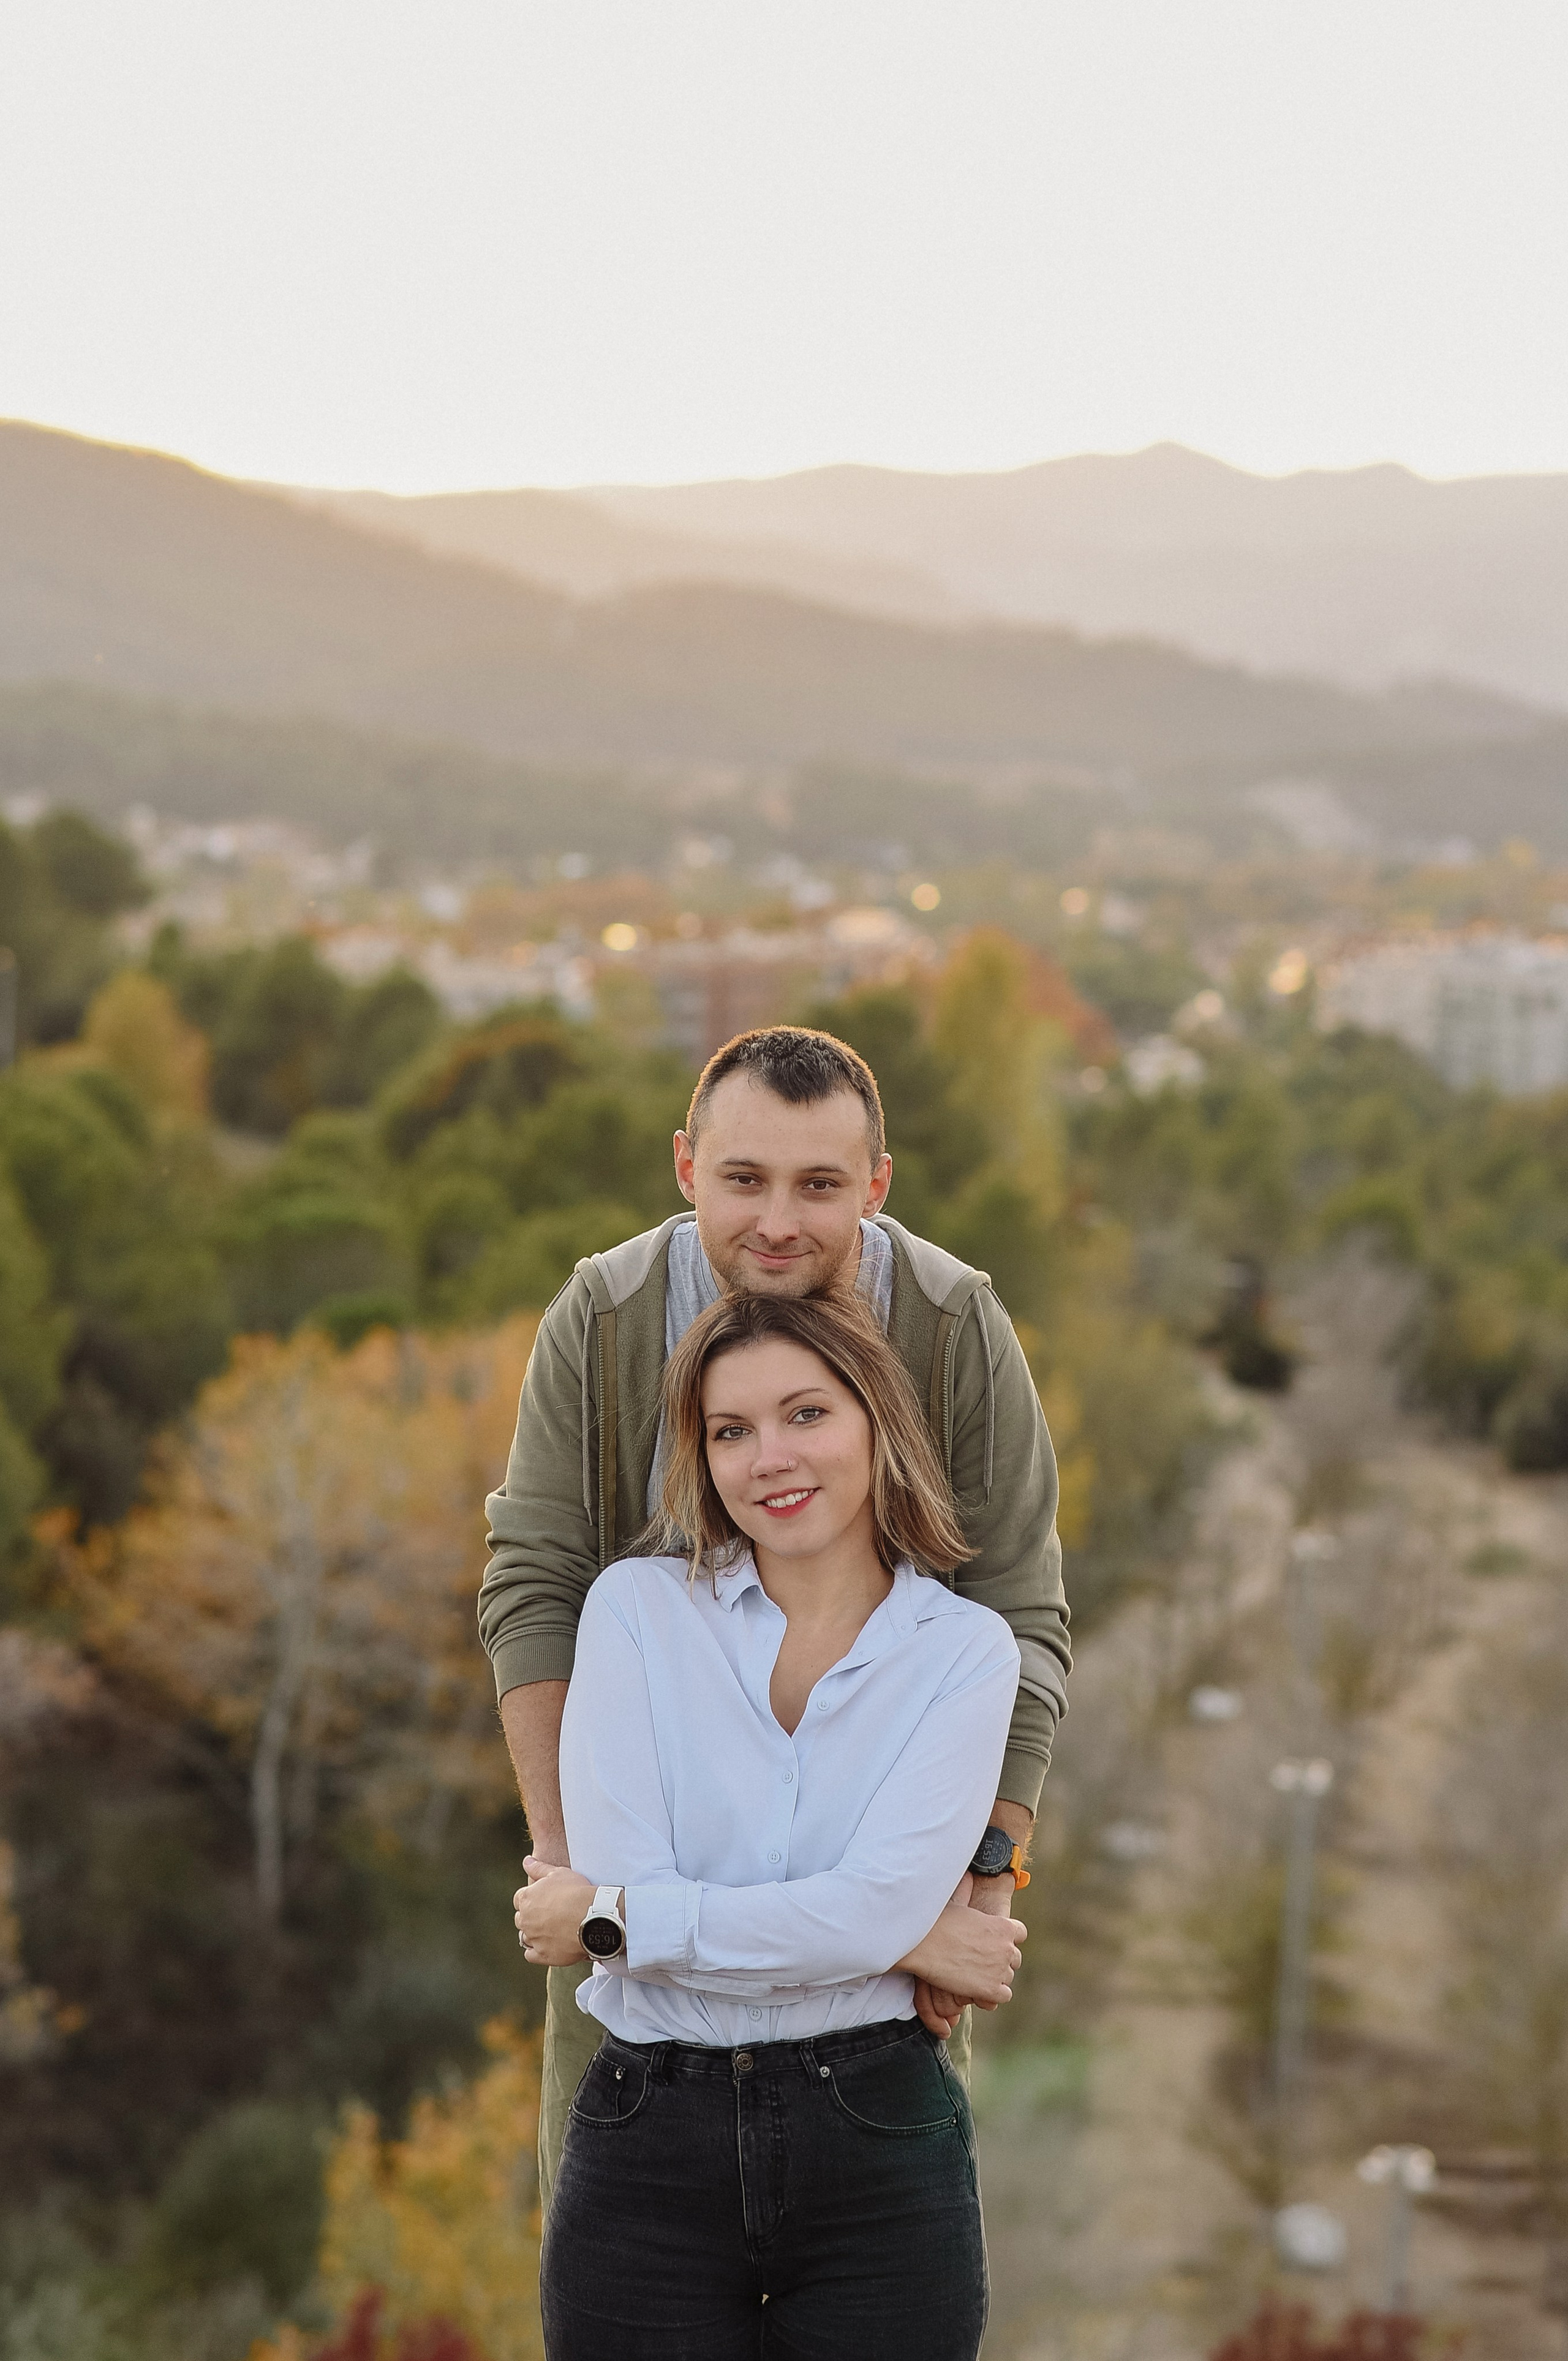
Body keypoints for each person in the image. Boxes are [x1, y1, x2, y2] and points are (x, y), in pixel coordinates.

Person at [481, 1024, 1069, 2205]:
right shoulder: (605, 1318)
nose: (779, 1223)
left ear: (878, 1185)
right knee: (621, 2250)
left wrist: (976, 1897)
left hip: (878, 1906)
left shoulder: (954, 1326)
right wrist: (576, 1874)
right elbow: (534, 1581)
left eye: (821, 1186)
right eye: (744, 1180)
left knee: (877, 2253)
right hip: (639, 1893)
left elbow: (1019, 1612)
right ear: (687, 1167)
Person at [514, 1288, 1027, 2360]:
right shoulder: (635, 1612)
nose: (769, 1459)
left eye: (807, 1414)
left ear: (877, 1420)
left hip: (878, 2142)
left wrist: (615, 1922)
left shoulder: (966, 1653)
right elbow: (855, 1919)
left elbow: (860, 1911)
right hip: (647, 2139)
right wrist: (898, 1938)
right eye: (730, 1432)